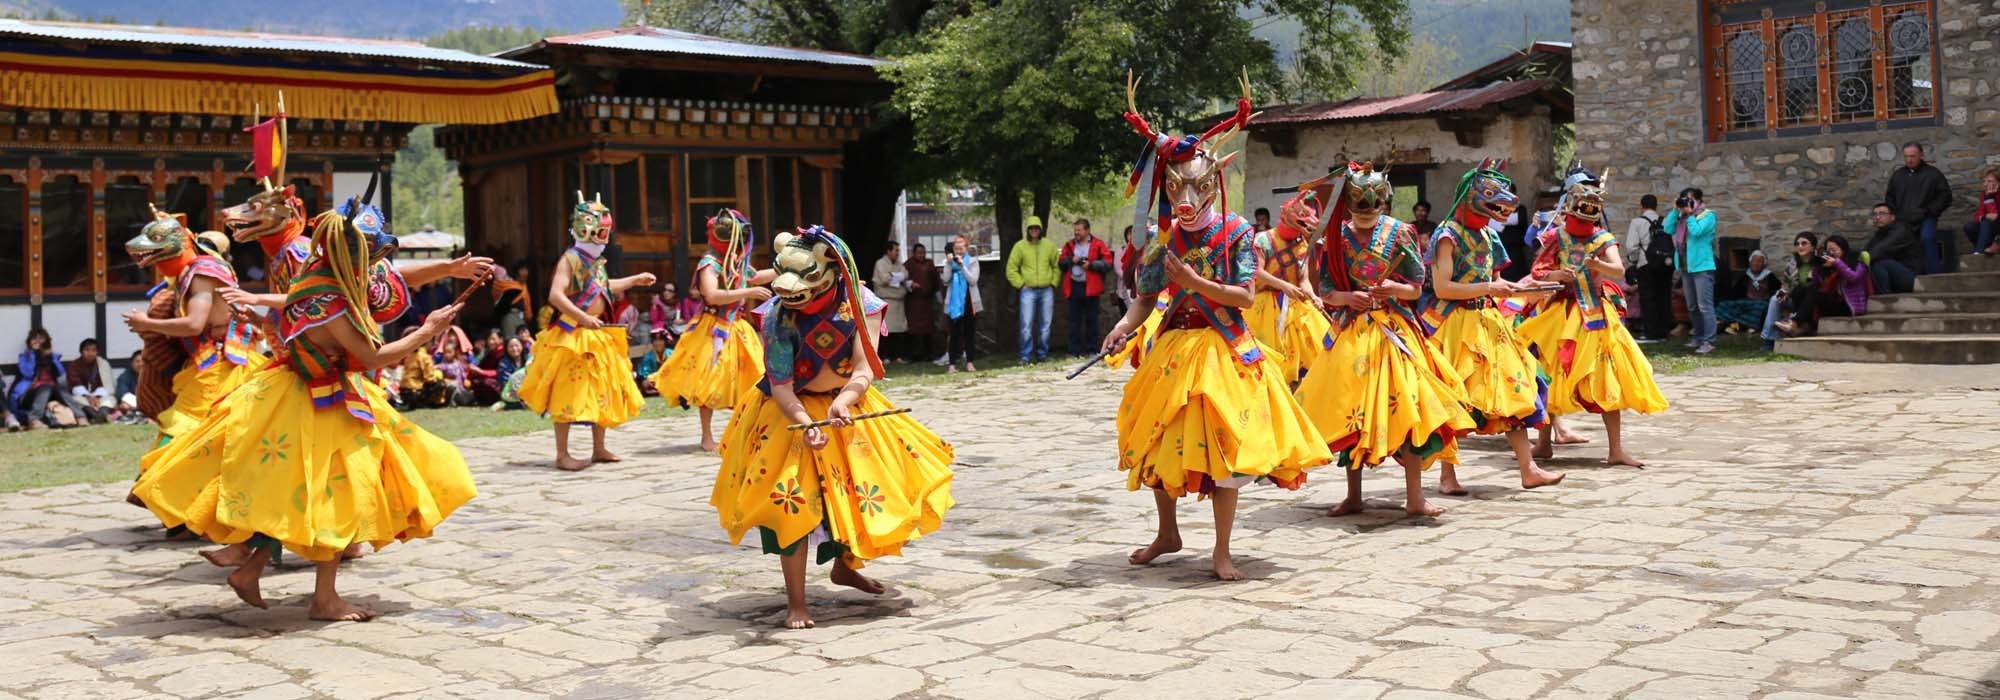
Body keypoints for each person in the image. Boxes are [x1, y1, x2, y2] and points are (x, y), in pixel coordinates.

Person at [131, 203, 481, 622]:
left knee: (293, 492)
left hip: (291, 393)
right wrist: (429, 329)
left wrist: (447, 268)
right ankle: (325, 599)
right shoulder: (330, 302)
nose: (375, 265)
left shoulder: (309, 281)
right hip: (322, 401)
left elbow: (377, 286)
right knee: (336, 491)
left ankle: (251, 570)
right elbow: (372, 357)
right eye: (371, 255)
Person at [1106, 84, 1331, 580]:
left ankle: (1222, 548)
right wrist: (1122, 328)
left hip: (1225, 349)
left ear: (1212, 184)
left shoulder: (1235, 233)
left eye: (1195, 188)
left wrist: (1194, 281)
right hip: (1173, 350)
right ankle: (1168, 532)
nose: (1185, 199)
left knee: (1227, 447)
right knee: (1156, 438)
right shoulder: (1161, 240)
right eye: (1176, 189)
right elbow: (1145, 297)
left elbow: (1245, 297)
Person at [712, 226, 955, 629]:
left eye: (804, 279)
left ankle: (844, 567)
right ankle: (797, 603)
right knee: (792, 500)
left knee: (853, 491)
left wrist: (843, 401)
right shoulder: (777, 314)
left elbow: (864, 368)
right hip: (788, 412)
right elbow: (782, 385)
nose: (789, 288)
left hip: (848, 403)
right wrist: (806, 423)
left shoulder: (860, 303)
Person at [1293, 162, 1473, 518]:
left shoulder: (1401, 233)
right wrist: (1348, 298)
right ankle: (1353, 494)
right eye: (1359, 204)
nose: (1366, 212)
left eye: (1374, 204)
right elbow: (1326, 290)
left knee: (1406, 408)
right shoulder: (1336, 237)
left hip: (1395, 332)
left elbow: (1417, 287)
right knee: (1351, 412)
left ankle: (1415, 497)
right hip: (1352, 332)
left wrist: (1395, 288)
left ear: (1385, 201)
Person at [1421, 159, 1564, 495]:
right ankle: (1447, 476)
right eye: (1490, 196)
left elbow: (1495, 280)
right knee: (1456, 399)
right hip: (1453, 328)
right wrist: (1490, 288)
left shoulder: (1487, 234)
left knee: (1514, 391)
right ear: (1471, 196)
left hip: (1489, 323)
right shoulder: (1447, 235)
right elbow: (1443, 288)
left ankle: (1528, 468)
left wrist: (1519, 287)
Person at [1516, 162, 1669, 467]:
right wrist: (1558, 273)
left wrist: (1597, 265)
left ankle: (1615, 449)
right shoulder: (1557, 237)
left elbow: (1619, 269)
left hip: (1596, 314)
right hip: (1559, 313)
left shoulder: (1602, 239)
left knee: (1606, 376)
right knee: (1548, 371)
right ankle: (1544, 443)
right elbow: (1538, 271)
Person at [520, 193, 654, 471]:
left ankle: (599, 448)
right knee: (568, 392)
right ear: (587, 229)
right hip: (573, 334)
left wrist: (634, 281)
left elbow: (605, 288)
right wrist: (582, 317)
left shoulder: (596, 263)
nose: (605, 237)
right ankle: (562, 454)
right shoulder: (570, 259)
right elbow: (556, 295)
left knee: (600, 390)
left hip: (596, 333)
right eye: (601, 232)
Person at [121, 206, 264, 444]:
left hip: (224, 362)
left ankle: (159, 477)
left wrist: (148, 323)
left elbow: (194, 324)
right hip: (208, 359)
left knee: (183, 425)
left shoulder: (201, 273)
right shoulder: (189, 273)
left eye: (157, 241)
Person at [652, 208, 774, 452]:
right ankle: (707, 435)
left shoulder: (734, 261)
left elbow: (756, 276)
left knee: (750, 379)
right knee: (708, 382)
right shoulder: (709, 263)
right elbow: (713, 295)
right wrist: (747, 293)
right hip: (713, 327)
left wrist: (789, 268)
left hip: (737, 327)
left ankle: (744, 430)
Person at [1245, 192, 1332, 385]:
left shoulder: (1302, 244)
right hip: (1264, 307)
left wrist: (1312, 295)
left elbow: (1303, 280)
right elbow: (1256, 271)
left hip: (1295, 307)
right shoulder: (1263, 240)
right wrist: (1283, 285)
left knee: (1316, 355)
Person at [1776, 235, 1869, 337]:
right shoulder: (1829, 265)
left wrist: (1837, 263)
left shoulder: (1856, 261)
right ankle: (1804, 325)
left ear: (1843, 249)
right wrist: (1819, 267)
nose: (1831, 253)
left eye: (1834, 250)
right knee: (1803, 288)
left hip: (1849, 306)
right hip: (1832, 303)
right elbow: (1816, 285)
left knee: (1814, 292)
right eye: (1829, 250)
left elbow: (1854, 278)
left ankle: (1794, 323)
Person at [1663, 187, 1718, 354]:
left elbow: (1696, 231)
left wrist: (1689, 214)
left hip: (1702, 266)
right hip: (1686, 266)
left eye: (1689, 199)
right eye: (1683, 199)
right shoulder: (1682, 217)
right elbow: (1667, 229)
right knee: (1692, 306)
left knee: (1704, 306)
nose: (1686, 202)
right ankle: (1698, 337)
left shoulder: (1708, 216)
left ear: (1699, 200)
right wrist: (1675, 210)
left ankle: (1709, 340)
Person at [1885, 142, 1953, 273]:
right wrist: (1894, 215)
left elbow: (1945, 196)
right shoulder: (1897, 176)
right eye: (1906, 156)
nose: (1909, 160)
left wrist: (1929, 211)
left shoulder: (1933, 174)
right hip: (1903, 220)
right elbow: (1890, 198)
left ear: (1921, 155)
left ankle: (1934, 277)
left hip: (1926, 217)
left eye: (1912, 156)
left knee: (1927, 239)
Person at [1005, 215, 1059, 362]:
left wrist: (1053, 282)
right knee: (1026, 324)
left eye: (1036, 228)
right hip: (1027, 291)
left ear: (1040, 229)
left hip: (1046, 290)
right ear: (1028, 230)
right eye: (1031, 228)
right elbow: (1011, 269)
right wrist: (1021, 284)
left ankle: (1043, 354)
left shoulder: (1049, 245)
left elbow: (1056, 266)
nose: (1034, 230)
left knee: (1046, 325)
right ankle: (1025, 355)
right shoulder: (1020, 246)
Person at [11, 328, 89, 429]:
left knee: (58, 388)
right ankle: (34, 419)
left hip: (51, 392)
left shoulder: (52, 356)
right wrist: (32, 354)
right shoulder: (24, 357)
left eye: (41, 339)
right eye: (34, 339)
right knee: (46, 387)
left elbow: (62, 376)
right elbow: (28, 373)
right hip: (28, 394)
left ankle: (81, 417)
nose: (38, 341)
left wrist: (51, 356)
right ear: (29, 342)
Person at [1059, 218, 1113, 358]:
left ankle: (1092, 350)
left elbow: (1107, 264)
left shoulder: (1098, 244)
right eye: (1075, 230)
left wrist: (1091, 265)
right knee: (1073, 321)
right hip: (1074, 286)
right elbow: (1061, 264)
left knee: (1092, 320)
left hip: (1092, 287)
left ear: (1087, 230)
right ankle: (1073, 351)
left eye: (1079, 230)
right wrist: (1072, 260)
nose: (1076, 233)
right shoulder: (1069, 245)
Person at [1762, 232, 1822, 350]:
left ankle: (1792, 325)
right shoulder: (1792, 263)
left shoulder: (1819, 263)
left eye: (1804, 243)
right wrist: (1783, 292)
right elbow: (1786, 284)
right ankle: (1769, 339)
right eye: (1797, 244)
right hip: (1795, 298)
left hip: (1810, 301)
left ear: (1813, 247)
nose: (1800, 246)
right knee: (1775, 299)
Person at [1627, 194, 1673, 341]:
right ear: (1656, 205)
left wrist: (1633, 261)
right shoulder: (1665, 221)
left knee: (1648, 298)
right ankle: (1664, 331)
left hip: (1645, 263)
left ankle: (1651, 332)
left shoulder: (1637, 222)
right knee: (1664, 296)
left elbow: (1631, 246)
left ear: (1642, 205)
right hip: (1664, 264)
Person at [942, 235, 983, 373]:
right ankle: (952, 365)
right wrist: (948, 264)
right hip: (954, 302)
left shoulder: (972, 262)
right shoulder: (948, 262)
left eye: (961, 248)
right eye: (956, 249)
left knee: (969, 333)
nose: (959, 251)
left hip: (969, 301)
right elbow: (945, 280)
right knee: (954, 334)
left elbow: (973, 280)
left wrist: (962, 266)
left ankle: (970, 362)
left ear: (966, 248)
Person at [1864, 202, 1921, 294]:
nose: (1877, 217)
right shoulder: (1880, 234)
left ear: (1892, 217)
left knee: (1878, 261)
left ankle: (1884, 298)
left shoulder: (1900, 231)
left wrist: (1859, 265)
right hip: (1893, 276)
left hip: (1911, 278)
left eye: (1882, 214)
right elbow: (1865, 251)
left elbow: (1880, 250)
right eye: (1875, 214)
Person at [1717, 250, 1778, 332]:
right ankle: (1737, 324)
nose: (1756, 263)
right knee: (1723, 304)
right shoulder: (1746, 276)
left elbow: (1777, 291)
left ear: (1764, 264)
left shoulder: (1769, 276)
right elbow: (1735, 292)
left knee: (1759, 307)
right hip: (1746, 301)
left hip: (1761, 302)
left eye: (1759, 261)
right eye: (1754, 261)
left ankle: (1735, 324)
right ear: (1750, 262)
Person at [871, 241, 910, 362]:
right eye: (896, 250)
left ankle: (898, 356)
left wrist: (893, 277)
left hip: (899, 301)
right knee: (886, 331)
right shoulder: (880, 263)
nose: (898, 253)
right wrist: (897, 277)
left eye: (898, 250)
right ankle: (885, 356)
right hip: (886, 300)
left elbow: (906, 274)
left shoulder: (899, 264)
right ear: (888, 251)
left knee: (899, 331)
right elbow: (884, 278)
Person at [903, 243, 941, 363]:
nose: (921, 255)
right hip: (913, 301)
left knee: (928, 329)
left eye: (923, 253)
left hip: (926, 301)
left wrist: (934, 293)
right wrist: (911, 285)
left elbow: (935, 281)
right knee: (914, 330)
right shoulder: (908, 264)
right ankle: (914, 355)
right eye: (919, 253)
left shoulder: (929, 264)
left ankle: (929, 354)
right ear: (914, 253)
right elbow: (903, 280)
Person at [65, 338, 115, 424]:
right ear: (81, 351)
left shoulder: (103, 363)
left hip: (99, 396)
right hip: (82, 396)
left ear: (97, 352)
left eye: (93, 350)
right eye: (87, 350)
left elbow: (107, 384)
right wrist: (89, 397)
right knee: (77, 400)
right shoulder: (74, 365)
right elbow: (75, 384)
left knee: (109, 399)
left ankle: (102, 414)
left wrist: (97, 397)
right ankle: (97, 416)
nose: (90, 353)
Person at [1964, 168, 1999, 257]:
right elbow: (1977, 216)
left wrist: (1989, 198)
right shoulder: (1985, 194)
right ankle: (1982, 248)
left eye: (1990, 181)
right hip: (1990, 228)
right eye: (1984, 181)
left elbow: (1994, 216)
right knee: (1969, 227)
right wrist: (1985, 216)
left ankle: (1978, 252)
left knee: (1986, 222)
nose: (1985, 184)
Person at [635, 331, 669, 396]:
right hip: (654, 381)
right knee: (645, 384)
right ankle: (660, 391)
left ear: (665, 342)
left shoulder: (671, 354)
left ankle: (660, 391)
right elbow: (645, 375)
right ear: (652, 343)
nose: (658, 343)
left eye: (660, 340)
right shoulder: (648, 357)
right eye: (655, 341)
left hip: (668, 379)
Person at [114, 352, 142, 422]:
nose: (140, 364)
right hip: (132, 405)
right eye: (137, 361)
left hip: (148, 405)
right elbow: (123, 394)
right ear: (132, 363)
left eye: (143, 361)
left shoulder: (152, 375)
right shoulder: (124, 376)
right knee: (124, 406)